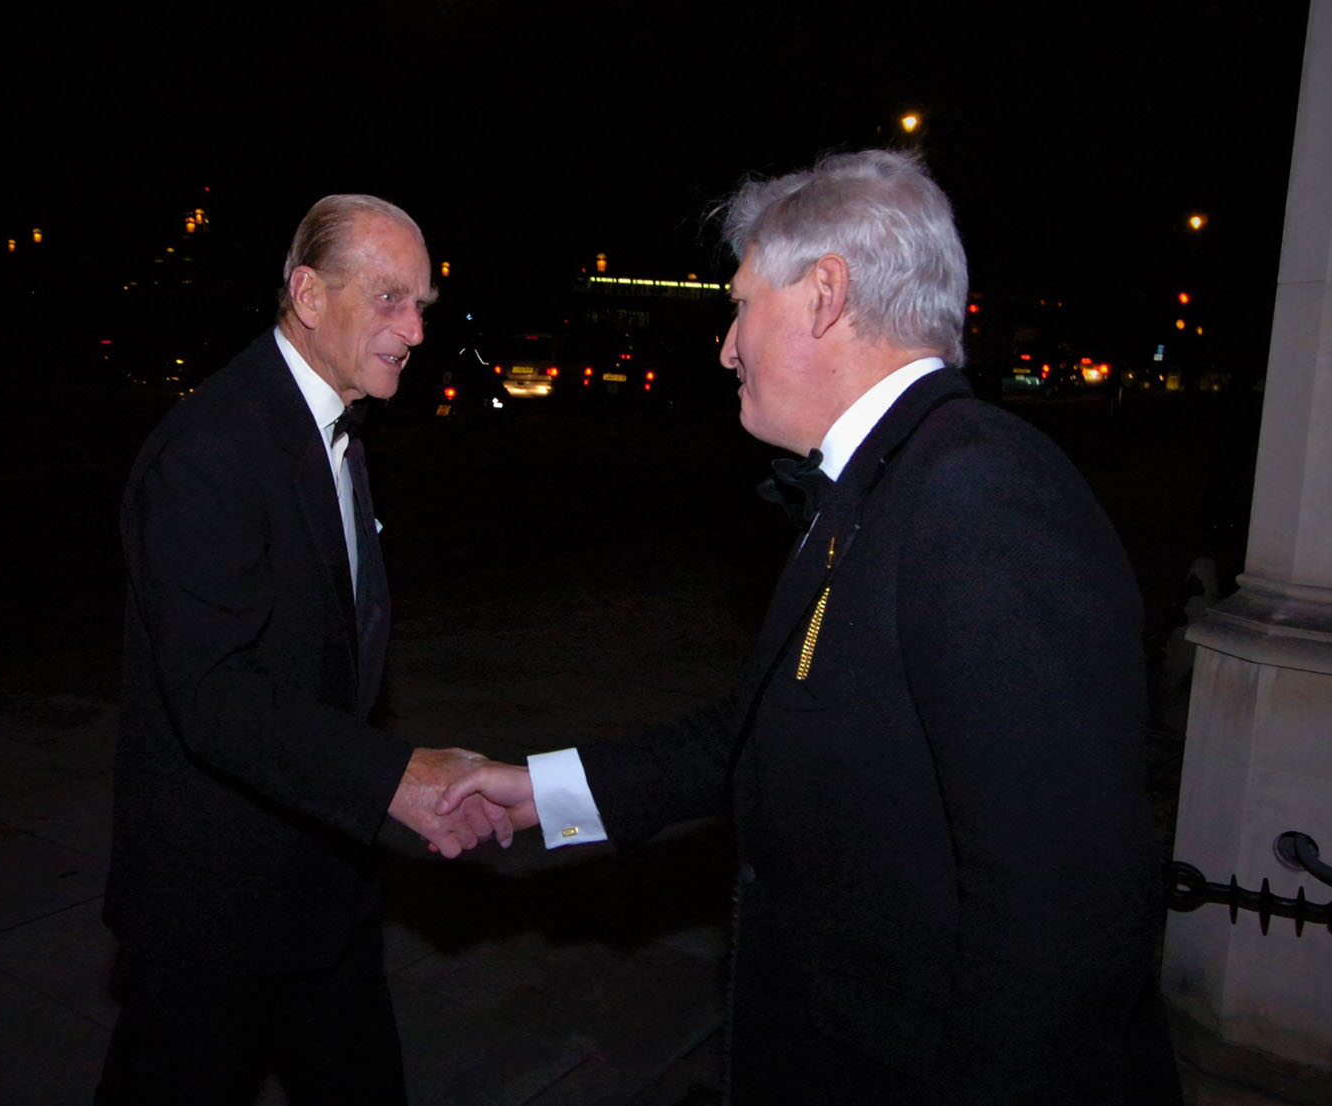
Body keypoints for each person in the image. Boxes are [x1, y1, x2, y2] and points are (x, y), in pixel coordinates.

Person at [441, 151, 1165, 1103]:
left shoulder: (978, 498)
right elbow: (754, 736)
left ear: (825, 294)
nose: (726, 347)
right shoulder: (891, 482)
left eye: (740, 305)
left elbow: (1061, 917)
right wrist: (540, 791)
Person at [97, 194, 512, 1105]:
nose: (413, 329)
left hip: (321, 883)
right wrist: (391, 777)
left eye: (423, 307)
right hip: (217, 905)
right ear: (309, 295)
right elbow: (214, 696)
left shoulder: (332, 426)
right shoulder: (212, 449)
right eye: (391, 299)